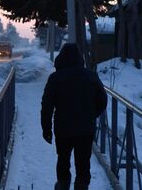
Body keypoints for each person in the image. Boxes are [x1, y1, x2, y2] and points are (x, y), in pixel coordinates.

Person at [41, 43, 107, 190]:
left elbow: (47, 105)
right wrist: (91, 115)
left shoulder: (55, 78)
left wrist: (46, 129)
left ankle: (63, 185)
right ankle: (81, 187)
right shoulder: (91, 76)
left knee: (63, 160)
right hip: (85, 129)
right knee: (83, 164)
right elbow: (102, 100)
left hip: (63, 129)